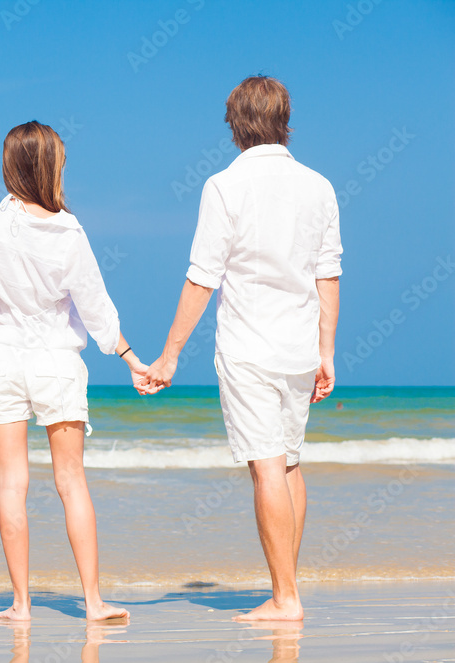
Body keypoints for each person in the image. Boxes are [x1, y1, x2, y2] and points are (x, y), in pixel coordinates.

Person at [143, 76, 342, 622]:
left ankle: (285, 598)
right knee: (292, 464)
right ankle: (288, 588)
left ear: (235, 125)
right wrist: (328, 351)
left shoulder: (223, 186)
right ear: (284, 120)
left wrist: (170, 355)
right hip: (301, 346)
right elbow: (329, 275)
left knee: (268, 469)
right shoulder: (319, 187)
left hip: (249, 348)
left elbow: (202, 277)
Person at [0, 121, 146, 622]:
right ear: (51, 166)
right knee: (71, 481)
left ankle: (20, 604)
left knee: (10, 484)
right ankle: (93, 602)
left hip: (2, 359)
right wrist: (130, 359)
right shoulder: (68, 230)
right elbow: (96, 306)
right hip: (57, 363)